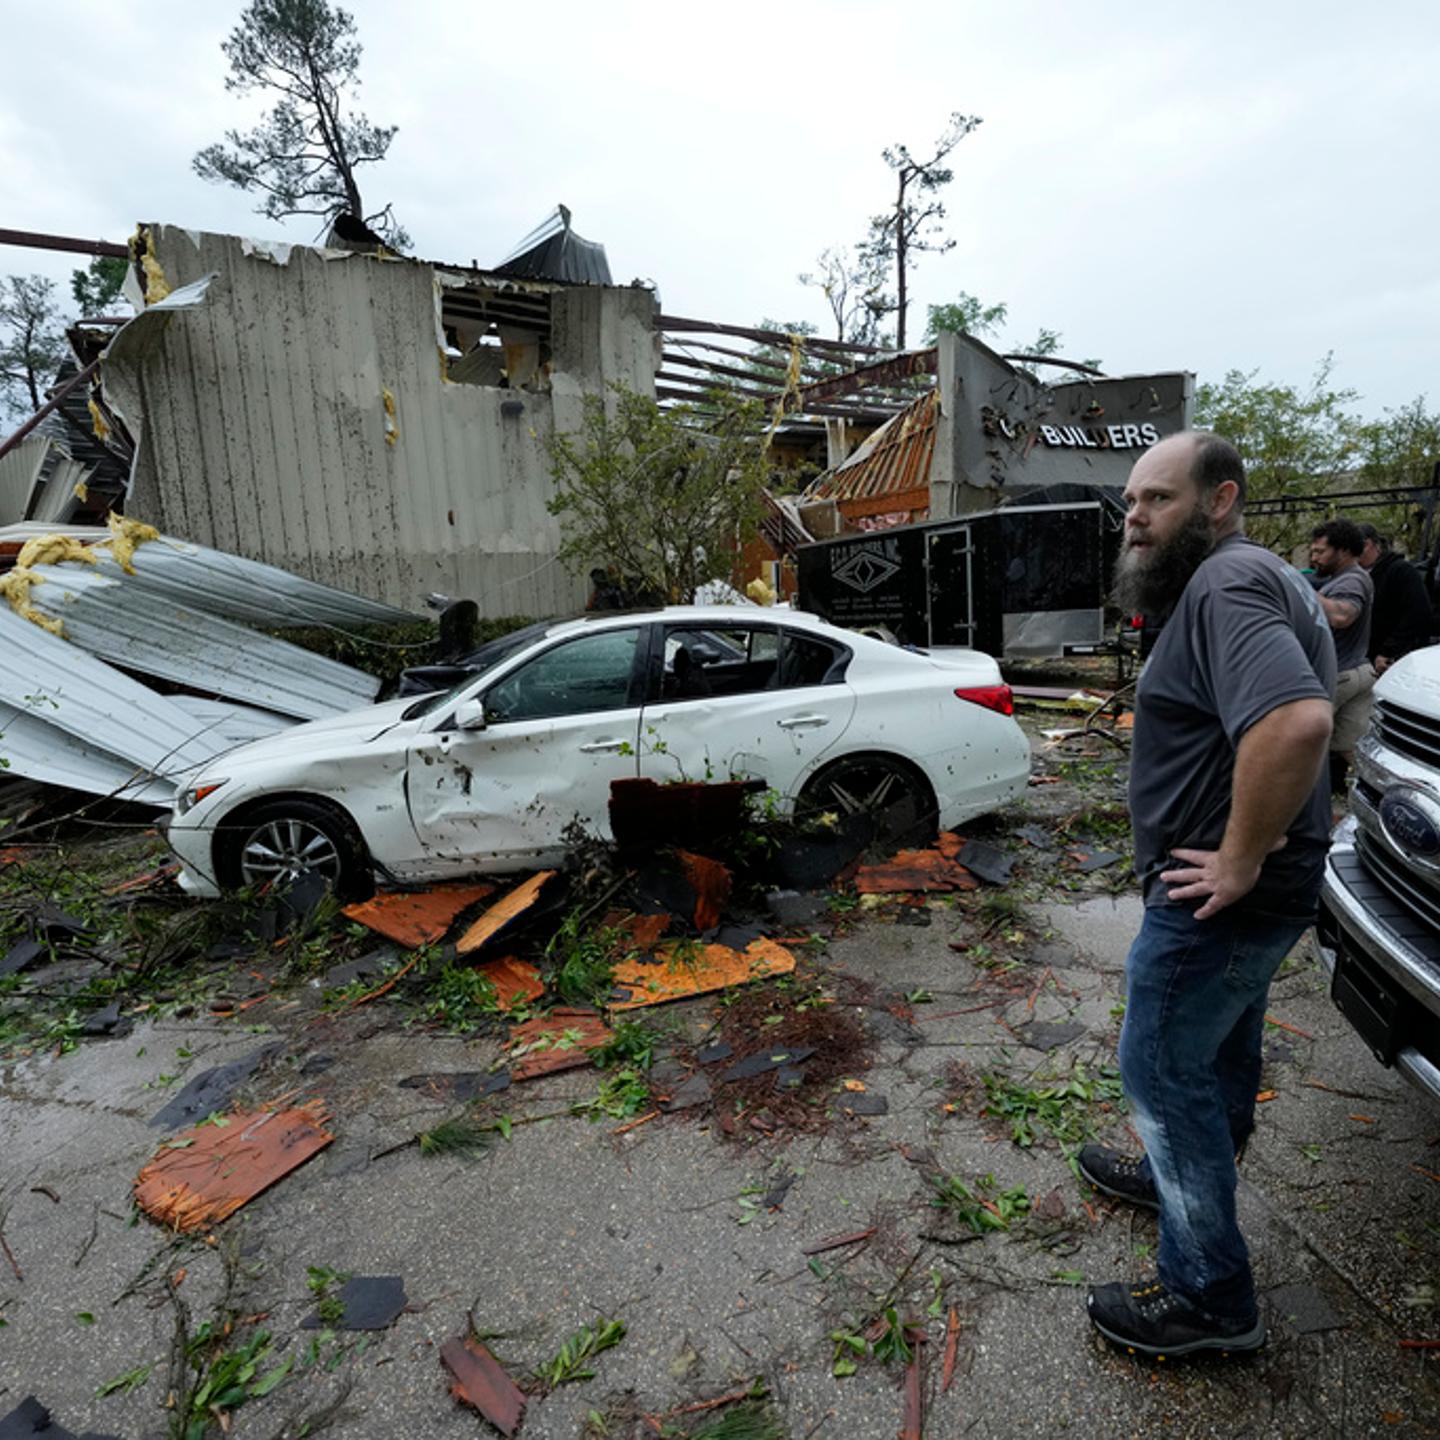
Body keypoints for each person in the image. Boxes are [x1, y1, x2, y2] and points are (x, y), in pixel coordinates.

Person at [1081, 431, 1334, 1359]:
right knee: (1219, 1055)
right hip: (1265, 889)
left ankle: (1208, 1296)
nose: (1136, 519)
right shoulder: (1267, 577)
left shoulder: (1227, 583)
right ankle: (1176, 1173)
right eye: (1132, 503)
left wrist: (1235, 859)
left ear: (1220, 499)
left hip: (1221, 896)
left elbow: (1299, 721)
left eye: (1159, 500)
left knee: (1157, 1070)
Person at [1310, 519, 1375, 793]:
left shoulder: (1352, 579)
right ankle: (1376, 799)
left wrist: (1300, 590)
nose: (1314, 558)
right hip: (1359, 673)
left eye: (1320, 552)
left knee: (1304, 744)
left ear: (1345, 551)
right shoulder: (1347, 578)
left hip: (1339, 675)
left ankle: (1300, 813)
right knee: (1352, 750)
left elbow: (1342, 615)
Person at [1357, 522, 1431, 673]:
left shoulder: (1400, 571)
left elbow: (1417, 613)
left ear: (1367, 544)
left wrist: (1389, 650)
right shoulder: (1355, 575)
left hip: (1392, 660)